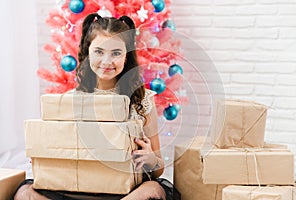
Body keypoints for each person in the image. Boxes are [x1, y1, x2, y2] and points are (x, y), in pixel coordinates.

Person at [14, 13, 180, 200]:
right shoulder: (71, 100)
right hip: (74, 190)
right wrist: (45, 154)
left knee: (152, 190)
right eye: (99, 52)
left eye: (116, 53)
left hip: (122, 193)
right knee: (25, 193)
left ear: (126, 56)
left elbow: (158, 170)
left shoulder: (142, 101)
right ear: (88, 53)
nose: (107, 61)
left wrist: (151, 160)